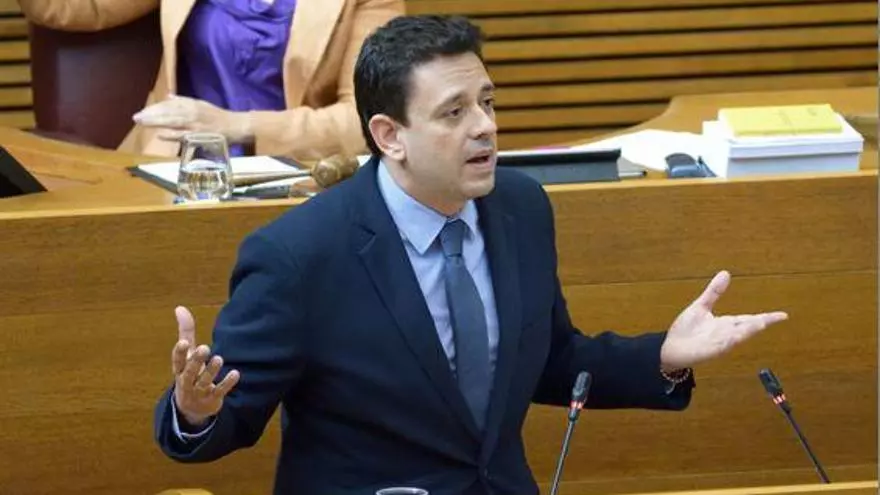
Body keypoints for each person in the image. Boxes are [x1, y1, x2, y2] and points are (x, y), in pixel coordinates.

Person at [153, 15, 789, 495]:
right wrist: (194, 411)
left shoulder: (520, 208)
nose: (485, 126)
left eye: (487, 102)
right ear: (389, 136)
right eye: (454, 112)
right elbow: (224, 418)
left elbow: (550, 362)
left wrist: (663, 357)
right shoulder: (299, 255)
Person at [16, 0, 405, 159]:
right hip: (170, 169)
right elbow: (70, 6)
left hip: (296, 179)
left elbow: (363, 120)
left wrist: (238, 126)